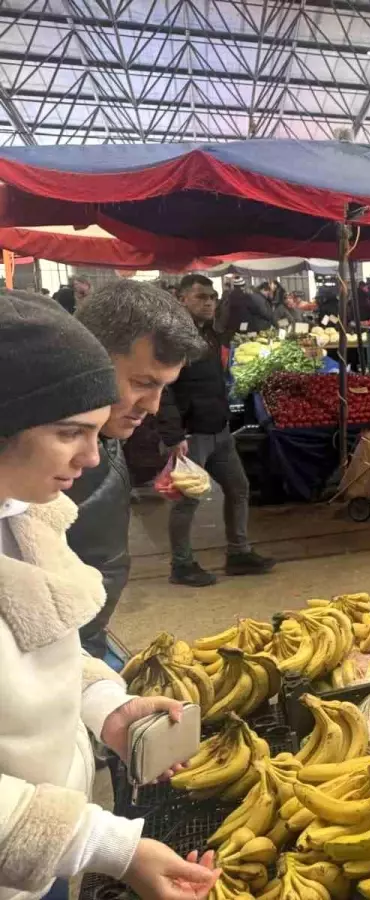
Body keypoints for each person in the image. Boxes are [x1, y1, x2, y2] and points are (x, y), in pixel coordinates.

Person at [0, 289, 220, 900]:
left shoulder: (26, 516)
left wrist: (105, 705)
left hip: (36, 859)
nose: (94, 456)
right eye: (71, 431)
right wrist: (110, 848)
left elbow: (45, 641)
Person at [69, 281, 207, 658]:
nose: (154, 405)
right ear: (88, 356)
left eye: (163, 387)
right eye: (142, 383)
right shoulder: (27, 455)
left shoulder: (107, 437)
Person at [157, 274, 275, 586]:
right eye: (201, 297)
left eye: (212, 297)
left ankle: (239, 553)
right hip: (190, 435)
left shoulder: (211, 334)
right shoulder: (173, 340)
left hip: (219, 430)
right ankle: (181, 565)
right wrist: (173, 435)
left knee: (238, 487)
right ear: (182, 299)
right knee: (187, 500)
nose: (209, 302)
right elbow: (163, 390)